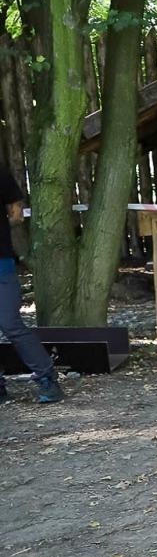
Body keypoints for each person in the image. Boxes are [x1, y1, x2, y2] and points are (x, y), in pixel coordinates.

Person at [1, 165, 64, 403]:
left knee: (10, 323)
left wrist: (12, 217)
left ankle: (48, 378)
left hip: (1, 264)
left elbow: (17, 213)